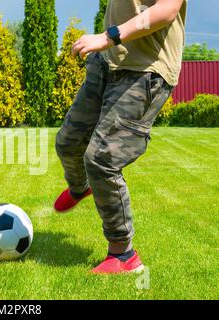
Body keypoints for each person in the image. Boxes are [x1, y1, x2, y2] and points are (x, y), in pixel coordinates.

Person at [54, 0, 187, 274]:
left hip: (146, 71)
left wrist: (107, 37)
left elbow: (166, 10)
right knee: (68, 142)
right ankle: (80, 188)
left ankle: (124, 255)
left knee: (102, 159)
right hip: (107, 61)